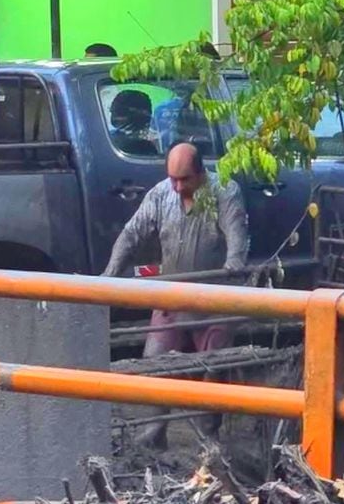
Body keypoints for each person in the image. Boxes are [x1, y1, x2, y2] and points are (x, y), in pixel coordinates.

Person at [101, 143, 249, 448]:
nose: (177, 186)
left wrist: (234, 258)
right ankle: (157, 428)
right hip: (171, 295)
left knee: (212, 368)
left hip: (213, 300)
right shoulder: (160, 194)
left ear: (200, 173)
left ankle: (210, 438)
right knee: (154, 361)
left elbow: (235, 230)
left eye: (184, 180)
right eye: (173, 179)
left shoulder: (225, 191)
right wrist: (110, 273)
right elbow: (132, 234)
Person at [108, 90, 159, 157]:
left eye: (118, 111)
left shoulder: (107, 140)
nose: (114, 117)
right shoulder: (149, 145)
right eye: (113, 111)